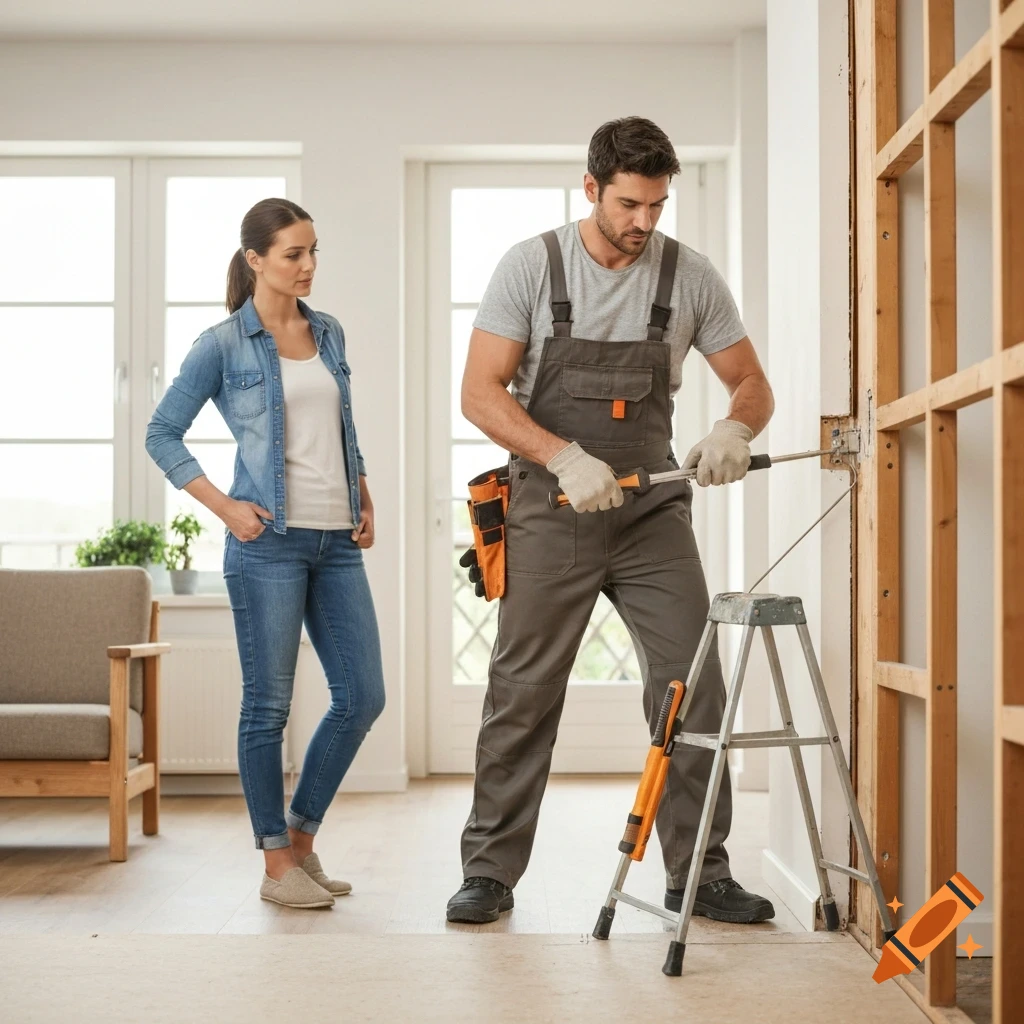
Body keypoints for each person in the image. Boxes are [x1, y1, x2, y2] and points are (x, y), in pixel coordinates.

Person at [448, 117, 776, 925]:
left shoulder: (689, 277)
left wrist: (735, 429)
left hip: (651, 511)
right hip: (551, 506)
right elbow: (481, 392)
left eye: (657, 205)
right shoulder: (532, 266)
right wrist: (561, 455)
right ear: (590, 188)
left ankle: (699, 870)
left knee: (691, 685)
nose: (643, 223)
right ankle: (489, 872)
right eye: (629, 204)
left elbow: (751, 385)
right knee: (523, 690)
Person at [146, 198, 385, 910]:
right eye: (292, 254)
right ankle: (275, 864)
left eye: (314, 252)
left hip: (336, 542)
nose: (309, 266)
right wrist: (224, 506)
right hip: (267, 546)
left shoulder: (329, 331)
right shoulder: (223, 344)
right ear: (255, 259)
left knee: (362, 696)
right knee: (268, 707)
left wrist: (363, 494)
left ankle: (302, 841)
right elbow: (163, 433)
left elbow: (341, 425)